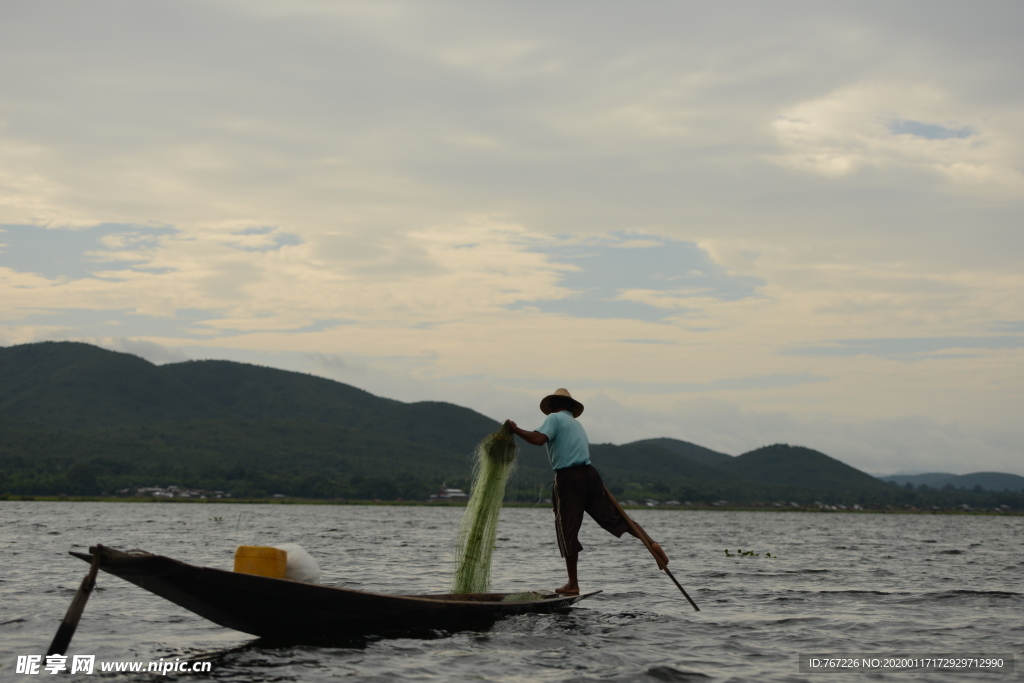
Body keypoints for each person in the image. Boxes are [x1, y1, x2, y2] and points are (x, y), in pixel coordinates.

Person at [508, 388, 669, 595]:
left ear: (553, 406)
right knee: (615, 517)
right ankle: (652, 543)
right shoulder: (577, 424)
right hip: (590, 474)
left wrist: (515, 429)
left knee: (568, 529)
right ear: (570, 408)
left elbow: (538, 440)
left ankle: (573, 584)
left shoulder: (554, 419)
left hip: (568, 477)